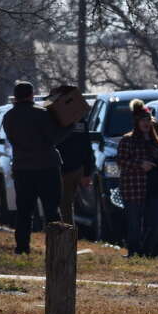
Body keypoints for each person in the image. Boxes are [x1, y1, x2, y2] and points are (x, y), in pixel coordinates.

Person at [1, 81, 65, 254]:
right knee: (52, 210)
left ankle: (22, 248)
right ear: (31, 94)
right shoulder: (42, 114)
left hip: (22, 168)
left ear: (16, 96)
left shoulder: (8, 117)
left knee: (24, 211)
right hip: (47, 167)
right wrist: (69, 127)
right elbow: (53, 138)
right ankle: (56, 248)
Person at [117, 99, 158, 257]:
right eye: (143, 120)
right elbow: (121, 161)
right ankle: (134, 253)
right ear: (136, 122)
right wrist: (140, 164)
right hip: (134, 188)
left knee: (155, 224)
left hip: (155, 188)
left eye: (148, 120)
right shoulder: (128, 140)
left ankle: (146, 253)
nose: (146, 123)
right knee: (134, 224)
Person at [50, 86, 95, 225]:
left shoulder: (55, 119)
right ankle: (66, 236)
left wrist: (87, 172)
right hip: (75, 167)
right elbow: (87, 146)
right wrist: (87, 172)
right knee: (66, 206)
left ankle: (66, 239)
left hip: (64, 169)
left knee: (64, 206)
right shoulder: (79, 118)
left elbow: (86, 146)